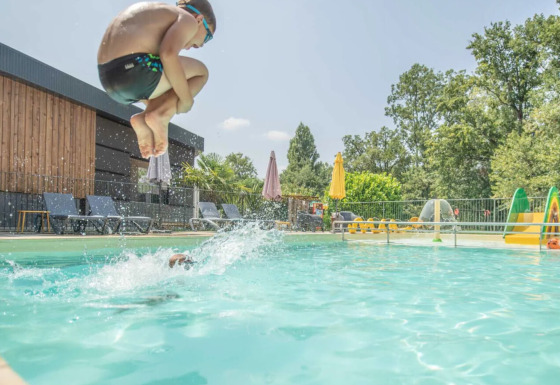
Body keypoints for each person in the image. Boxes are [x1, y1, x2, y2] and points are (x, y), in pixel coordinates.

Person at [97, 0, 216, 158]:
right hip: (135, 70)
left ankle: (145, 116)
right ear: (199, 20)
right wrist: (187, 100)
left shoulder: (158, 14)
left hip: (109, 79)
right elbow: (168, 54)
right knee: (201, 72)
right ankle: (160, 114)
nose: (198, 46)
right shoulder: (188, 20)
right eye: (206, 38)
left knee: (172, 77)